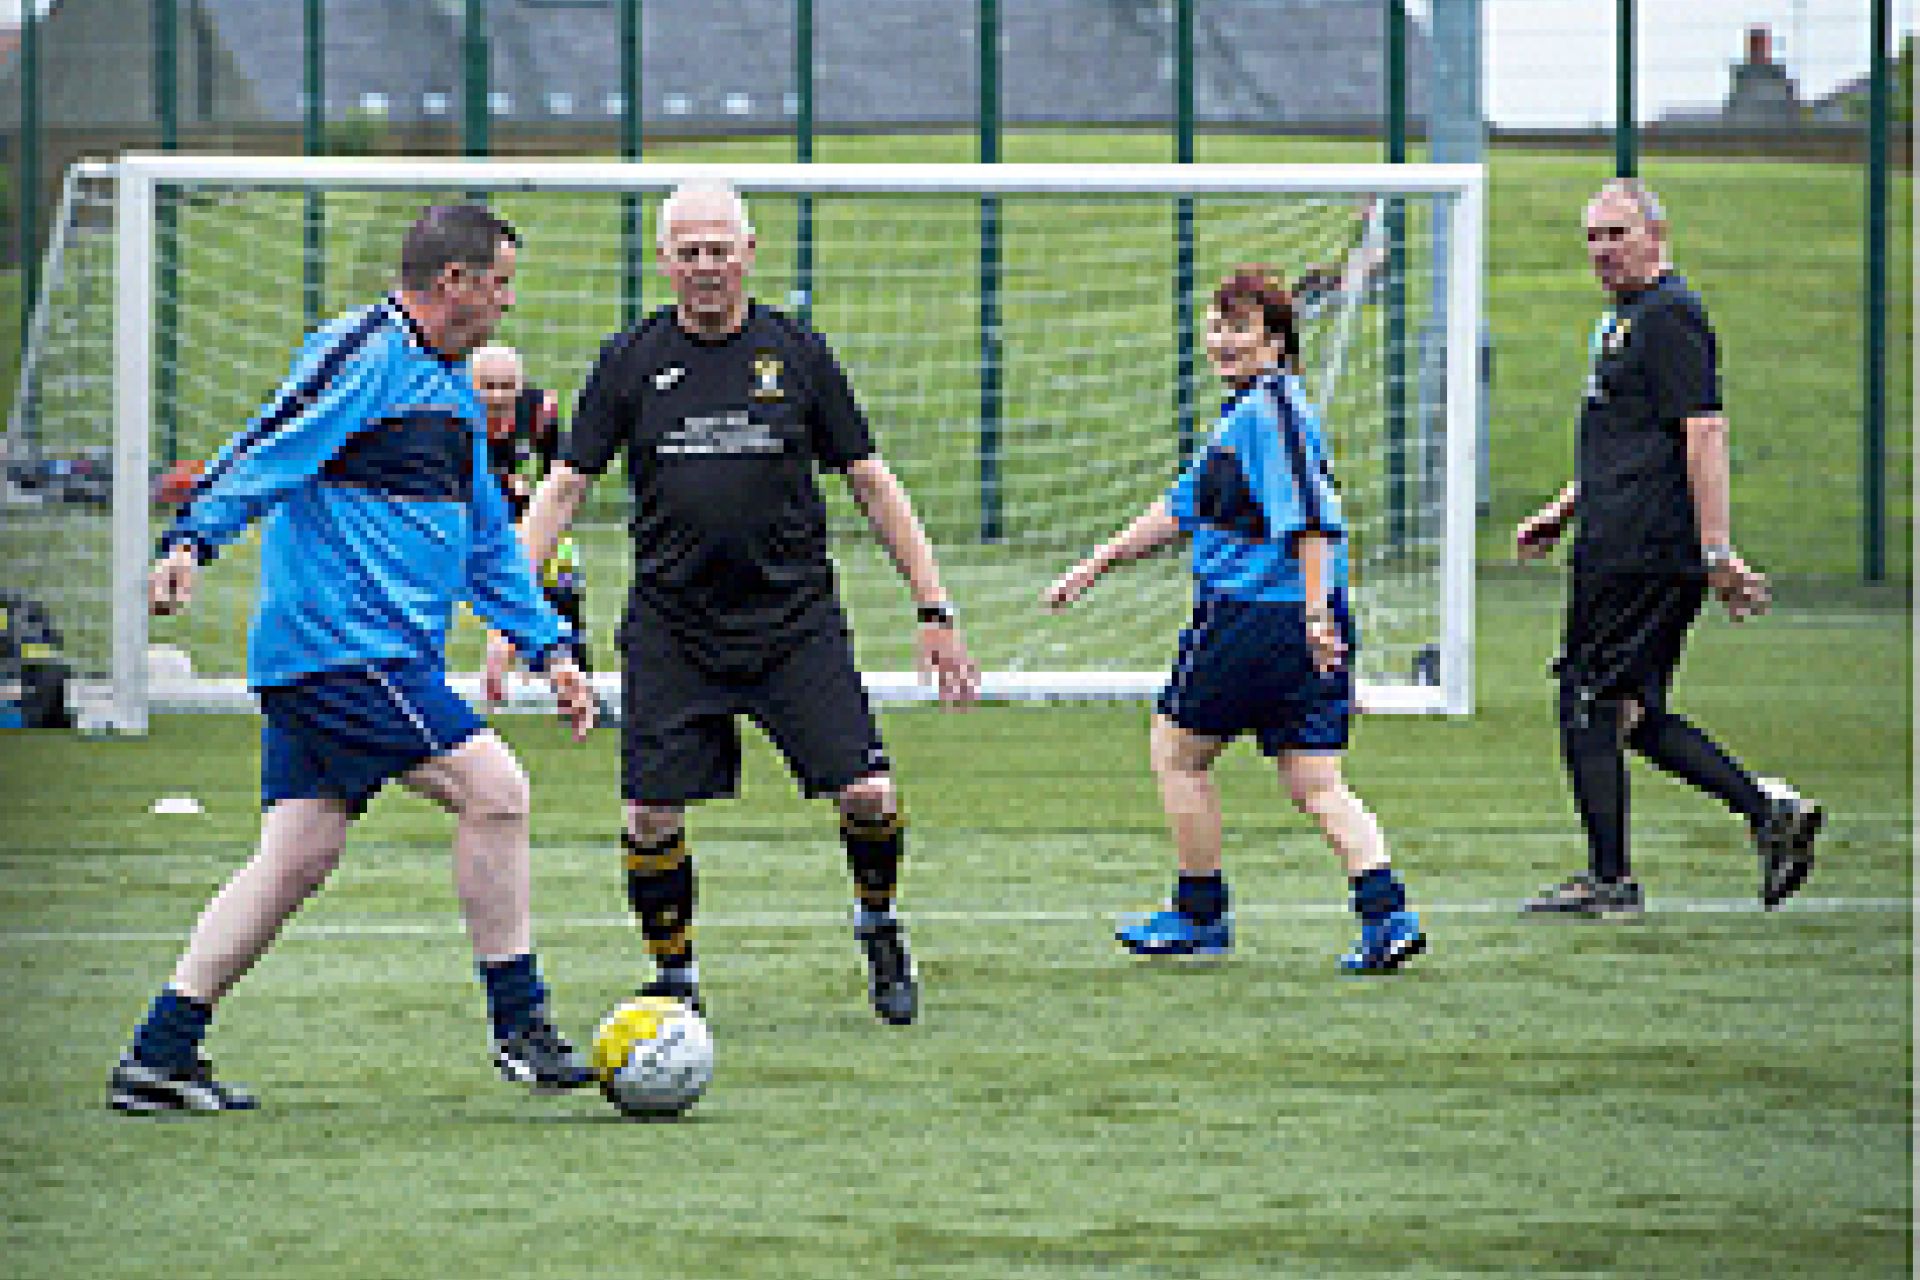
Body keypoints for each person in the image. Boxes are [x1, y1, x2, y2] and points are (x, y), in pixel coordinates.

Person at [111, 204, 598, 1113]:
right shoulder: (364, 352)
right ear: (454, 283)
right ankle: (523, 1029)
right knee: (496, 792)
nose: (509, 301)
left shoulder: (453, 392)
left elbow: (487, 545)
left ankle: (159, 1053)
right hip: (344, 652)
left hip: (355, 660)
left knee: (295, 856)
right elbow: (272, 442)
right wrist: (193, 541)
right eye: (502, 281)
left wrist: (549, 646)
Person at [501, 182, 980, 1024]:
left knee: (868, 794)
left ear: (750, 252)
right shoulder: (629, 361)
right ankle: (674, 976)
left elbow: (872, 482)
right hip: (674, 628)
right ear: (664, 262)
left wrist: (933, 609)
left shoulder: (797, 355)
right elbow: (562, 491)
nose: (706, 267)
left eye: (719, 249)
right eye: (688, 253)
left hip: (793, 625)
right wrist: (514, 619)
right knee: (650, 815)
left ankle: (877, 921)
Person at [1045, 265, 1425, 975]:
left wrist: (1313, 616)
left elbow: (1313, 523)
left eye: (1240, 327)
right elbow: (1180, 508)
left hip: (1255, 619)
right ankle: (1386, 914)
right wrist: (1098, 562)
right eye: (1217, 325)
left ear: (1277, 342)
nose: (1222, 339)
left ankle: (1199, 913)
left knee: (1178, 755)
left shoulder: (1267, 415)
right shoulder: (1250, 413)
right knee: (1316, 781)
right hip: (1302, 619)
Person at [1515, 178, 1822, 920]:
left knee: (1589, 700)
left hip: (1643, 551)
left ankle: (1610, 880)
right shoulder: (1625, 321)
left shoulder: (1672, 316)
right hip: (1615, 540)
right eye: (1592, 237)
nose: (1602, 250)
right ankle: (1766, 811)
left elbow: (1703, 432)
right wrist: (1562, 510)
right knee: (1630, 714)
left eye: (1616, 234)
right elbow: (1627, 439)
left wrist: (1716, 551)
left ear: (1658, 235)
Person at [471, 344, 603, 685]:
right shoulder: (454, 411)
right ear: (469, 384)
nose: (497, 396)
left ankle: (577, 679)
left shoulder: (540, 410)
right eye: (487, 386)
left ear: (521, 384)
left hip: (529, 516)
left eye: (506, 385)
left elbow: (560, 469)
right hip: (469, 521)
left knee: (564, 585)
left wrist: (536, 501)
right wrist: (503, 481)